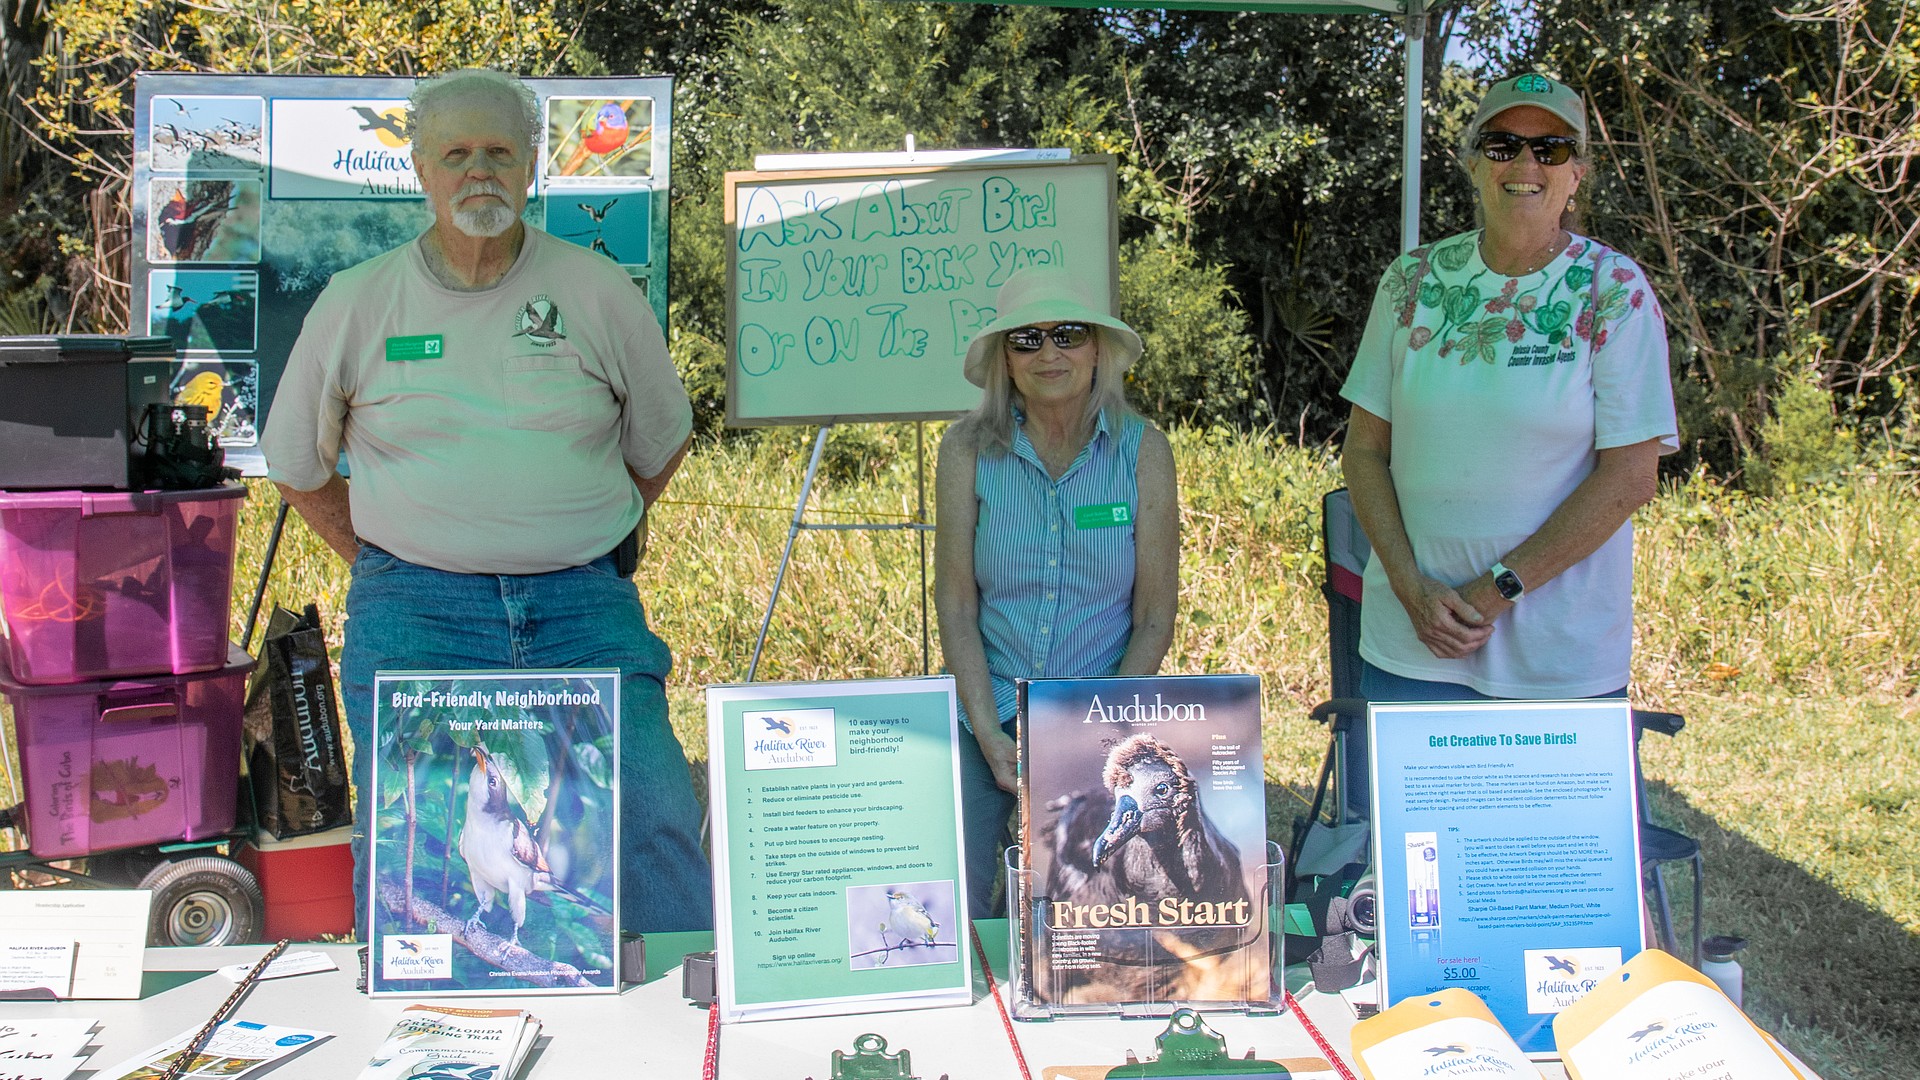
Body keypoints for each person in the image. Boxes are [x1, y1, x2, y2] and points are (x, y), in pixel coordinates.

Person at [261, 68, 712, 934]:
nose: (480, 172)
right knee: (413, 848)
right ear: (421, 169)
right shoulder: (357, 301)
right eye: (457, 153)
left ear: (533, 166)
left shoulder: (594, 292)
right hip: (418, 613)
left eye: (500, 152)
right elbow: (296, 463)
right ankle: (423, 1040)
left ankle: (683, 1026)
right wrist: (383, 555)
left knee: (651, 816)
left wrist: (593, 522)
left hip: (583, 607)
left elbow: (660, 438)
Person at [1340, 72, 1678, 704]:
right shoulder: (1411, 281)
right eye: (1502, 145)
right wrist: (1413, 591)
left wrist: (1494, 591)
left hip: (1557, 655)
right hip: (1413, 639)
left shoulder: (1615, 291)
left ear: (1577, 173)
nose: (1525, 162)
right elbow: (1362, 453)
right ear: (1473, 164)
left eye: (1550, 148)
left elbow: (1630, 476)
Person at [935, 266, 1180, 917]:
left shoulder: (1144, 451)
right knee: (948, 900)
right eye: (1027, 339)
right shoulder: (964, 450)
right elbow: (957, 605)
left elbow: (1154, 617)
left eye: (1068, 334)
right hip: (982, 708)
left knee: (1073, 910)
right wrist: (989, 735)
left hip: (1099, 719)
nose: (1050, 353)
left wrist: (1105, 739)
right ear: (1004, 361)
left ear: (1098, 348)